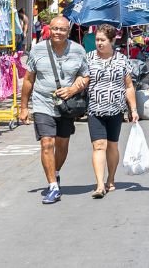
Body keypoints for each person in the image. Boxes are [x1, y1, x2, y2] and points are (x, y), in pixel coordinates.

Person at [20, 15, 89, 204]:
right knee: (46, 143)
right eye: (55, 29)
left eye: (62, 29)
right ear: (49, 29)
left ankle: (55, 172)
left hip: (66, 106)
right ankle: (53, 186)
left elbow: (85, 76)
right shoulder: (38, 50)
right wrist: (24, 107)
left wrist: (72, 89)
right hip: (42, 102)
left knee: (62, 144)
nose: (58, 32)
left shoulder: (78, 50)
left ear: (68, 31)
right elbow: (28, 79)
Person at [83, 24, 138, 198]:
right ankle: (100, 185)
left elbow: (128, 86)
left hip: (116, 109)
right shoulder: (88, 58)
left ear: (112, 40)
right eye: (97, 40)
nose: (99, 43)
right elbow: (81, 80)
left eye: (103, 40)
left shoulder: (122, 59)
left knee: (112, 145)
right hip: (95, 109)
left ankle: (111, 178)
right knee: (99, 145)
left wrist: (133, 109)